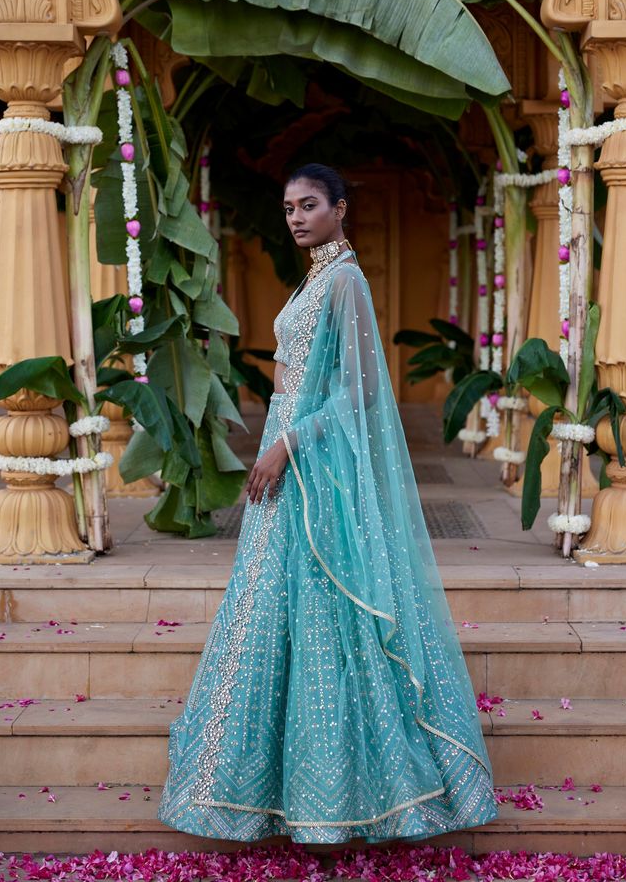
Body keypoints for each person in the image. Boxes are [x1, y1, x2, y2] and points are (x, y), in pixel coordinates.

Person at [158, 162, 497, 844]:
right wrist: (280, 439)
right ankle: (267, 790)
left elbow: (362, 392)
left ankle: (350, 793)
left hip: (312, 464)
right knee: (269, 606)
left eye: (309, 204)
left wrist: (287, 443)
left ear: (340, 209)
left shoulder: (345, 281)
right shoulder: (316, 276)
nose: (295, 217)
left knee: (320, 611)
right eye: (288, 207)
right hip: (289, 458)